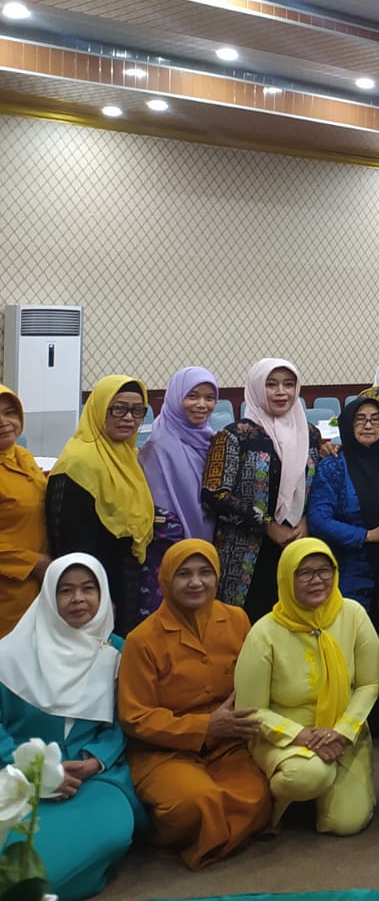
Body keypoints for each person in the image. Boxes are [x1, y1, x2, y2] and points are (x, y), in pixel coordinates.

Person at [118, 539, 272, 867]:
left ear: (217, 576)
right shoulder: (141, 639)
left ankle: (206, 834)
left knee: (257, 795)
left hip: (227, 744)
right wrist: (205, 726)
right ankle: (166, 836)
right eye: (184, 574)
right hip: (163, 751)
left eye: (205, 572)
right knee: (195, 802)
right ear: (166, 579)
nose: (196, 582)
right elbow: (135, 717)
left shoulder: (237, 619)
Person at [0, 555, 142, 900]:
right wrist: (36, 770)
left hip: (93, 778)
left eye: (88, 588)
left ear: (102, 594)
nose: (78, 598)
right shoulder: (10, 655)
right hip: (18, 774)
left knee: (112, 832)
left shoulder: (118, 652)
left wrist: (94, 760)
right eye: (65, 590)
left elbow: (125, 720)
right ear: (49, 596)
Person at [235, 538, 379, 836]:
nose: (317, 580)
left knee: (346, 824)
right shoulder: (265, 632)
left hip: (343, 733)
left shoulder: (352, 614)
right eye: (304, 573)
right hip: (282, 737)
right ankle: (275, 801)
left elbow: (369, 684)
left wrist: (342, 732)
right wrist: (300, 735)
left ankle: (318, 794)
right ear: (286, 578)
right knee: (308, 775)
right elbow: (249, 710)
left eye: (325, 570)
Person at [202, 359, 321, 622]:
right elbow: (214, 494)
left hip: (297, 543)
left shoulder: (309, 434)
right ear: (256, 388)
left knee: (295, 623)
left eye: (288, 384)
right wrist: (268, 526)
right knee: (245, 625)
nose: (281, 392)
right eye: (271, 384)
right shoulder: (235, 435)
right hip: (245, 551)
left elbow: (318, 485)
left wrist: (306, 519)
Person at [45, 376, 155, 634]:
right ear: (99, 409)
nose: (128, 418)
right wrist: (94, 595)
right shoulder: (77, 463)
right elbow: (67, 543)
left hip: (127, 580)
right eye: (118, 408)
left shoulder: (128, 456)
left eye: (137, 410)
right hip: (93, 588)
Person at [308, 399, 379, 626]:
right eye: (360, 419)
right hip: (351, 569)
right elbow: (319, 520)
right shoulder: (333, 464)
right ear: (348, 424)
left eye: (375, 419)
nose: (368, 425)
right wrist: (367, 535)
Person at [137, 369, 219, 611]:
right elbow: (158, 507)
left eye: (209, 398)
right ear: (175, 397)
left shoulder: (214, 440)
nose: (201, 405)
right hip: (169, 550)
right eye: (192, 396)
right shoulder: (158, 445)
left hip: (210, 546)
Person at [0, 385, 48, 637]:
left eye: (10, 412)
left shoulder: (23, 456)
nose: (4, 422)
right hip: (8, 591)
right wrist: (34, 563)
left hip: (37, 588)